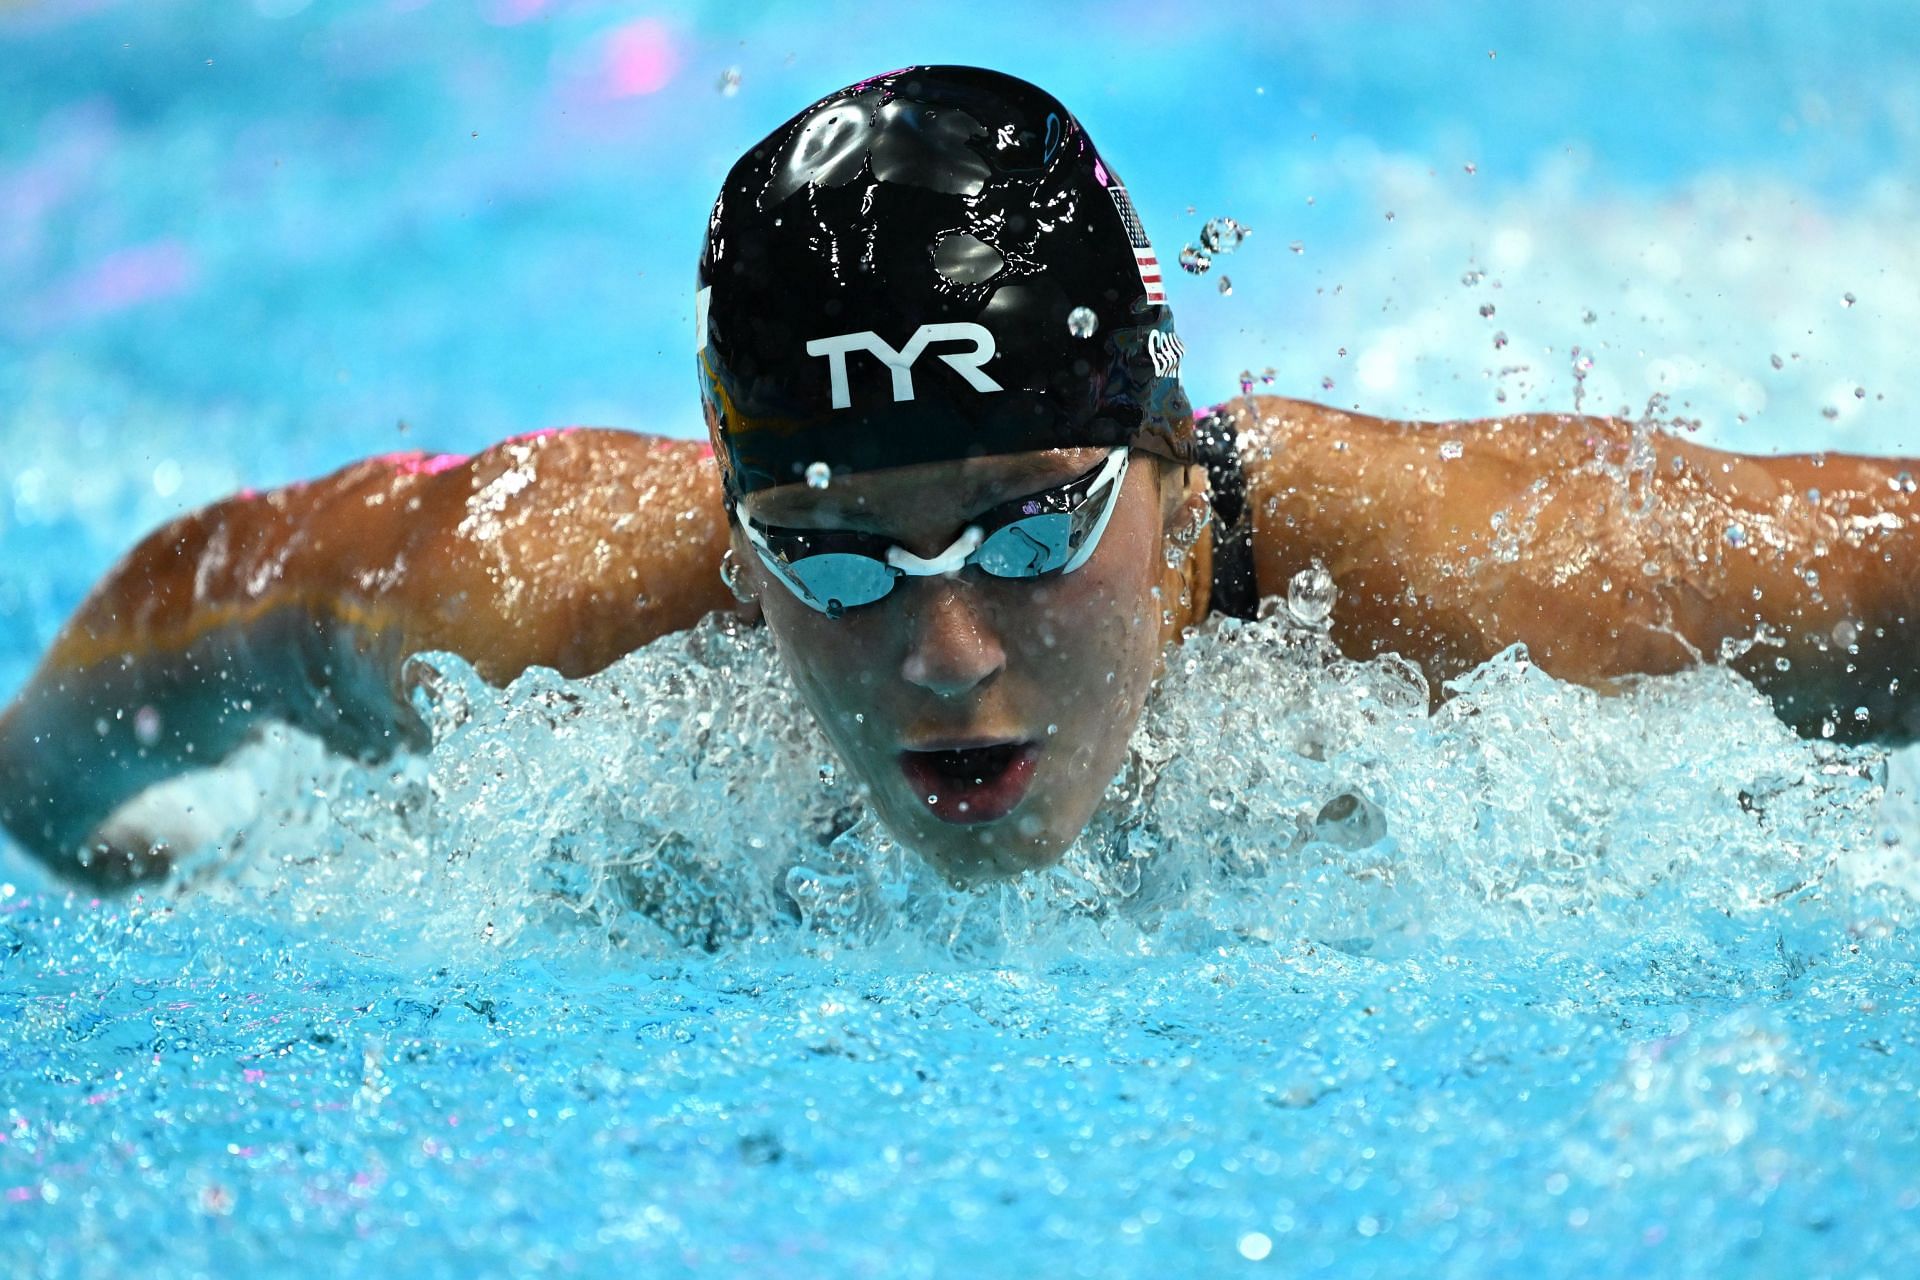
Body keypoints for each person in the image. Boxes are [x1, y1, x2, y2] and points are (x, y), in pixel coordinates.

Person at [2, 66, 1915, 889]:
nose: (938, 645)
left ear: (1164, 449)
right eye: (830, 558)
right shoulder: (551, 605)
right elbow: (213, 594)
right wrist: (54, 822)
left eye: (1028, 524)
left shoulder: (1463, 587)